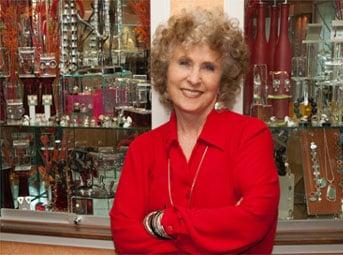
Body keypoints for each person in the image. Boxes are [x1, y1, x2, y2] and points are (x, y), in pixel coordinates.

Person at [110, 8, 280, 254]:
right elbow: (125, 235)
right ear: (165, 70)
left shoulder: (250, 136)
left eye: (209, 67)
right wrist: (219, 229)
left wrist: (164, 223)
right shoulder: (143, 149)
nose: (194, 78)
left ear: (223, 78)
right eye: (184, 63)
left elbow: (254, 219)